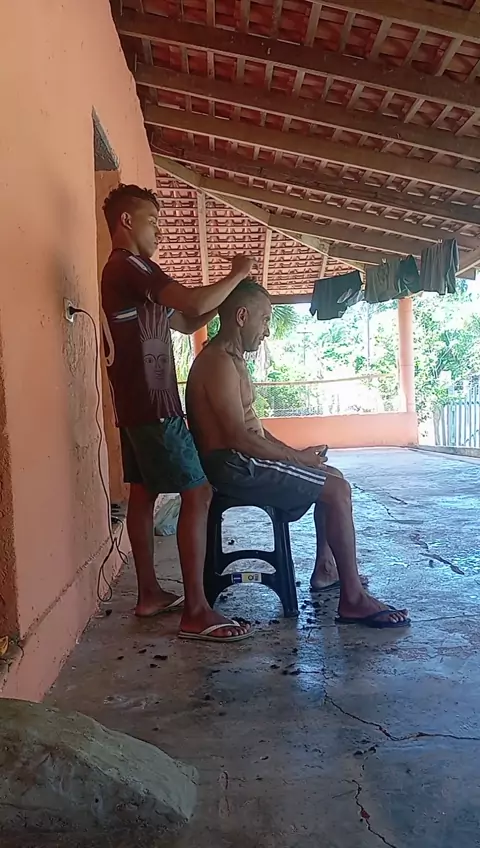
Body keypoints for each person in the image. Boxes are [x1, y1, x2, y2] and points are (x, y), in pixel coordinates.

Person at [186, 279, 410, 629]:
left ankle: (325, 569)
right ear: (242, 316)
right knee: (336, 489)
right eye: (264, 319)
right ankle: (353, 599)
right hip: (234, 465)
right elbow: (237, 438)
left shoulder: (232, 359)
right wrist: (299, 459)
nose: (267, 330)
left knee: (333, 477)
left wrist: (295, 453)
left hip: (243, 460)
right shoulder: (217, 362)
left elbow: (254, 430)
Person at [101, 183, 254, 642]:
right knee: (199, 492)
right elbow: (191, 303)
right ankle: (196, 610)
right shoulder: (130, 266)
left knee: (143, 491)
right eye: (153, 221)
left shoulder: (134, 280)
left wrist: (224, 296)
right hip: (154, 404)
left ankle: (150, 593)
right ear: (126, 221)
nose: (159, 232)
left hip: (134, 405)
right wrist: (237, 274)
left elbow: (187, 320)